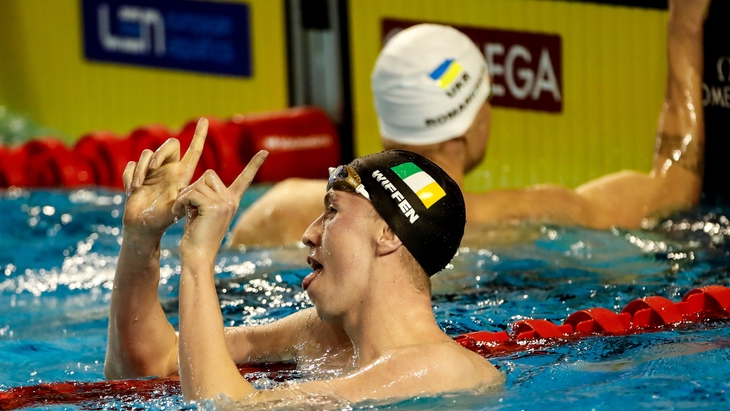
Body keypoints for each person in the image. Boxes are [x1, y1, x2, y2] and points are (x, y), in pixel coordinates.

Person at [228, 0, 709, 248]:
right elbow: (673, 186)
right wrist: (684, 30)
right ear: (474, 119)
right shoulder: (523, 215)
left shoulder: (280, 209)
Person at [104, 120, 502, 409]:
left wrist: (199, 257)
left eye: (331, 211)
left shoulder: (438, 369)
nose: (309, 233)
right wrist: (141, 240)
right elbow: (147, 364)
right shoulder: (320, 334)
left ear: (388, 235)